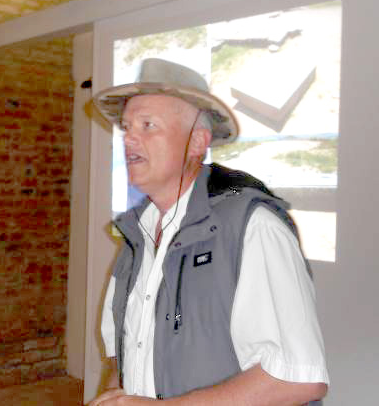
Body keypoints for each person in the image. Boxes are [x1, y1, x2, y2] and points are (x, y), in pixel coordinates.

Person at [89, 58, 329, 405]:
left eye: (148, 125)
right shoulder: (135, 237)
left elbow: (296, 379)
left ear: (197, 142)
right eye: (126, 127)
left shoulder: (254, 227)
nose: (129, 139)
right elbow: (123, 356)